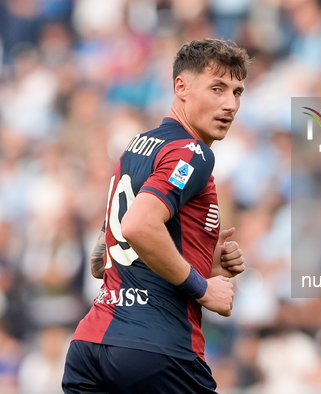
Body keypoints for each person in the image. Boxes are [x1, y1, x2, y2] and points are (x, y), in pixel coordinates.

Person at [62, 38, 251, 394]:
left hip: (90, 348)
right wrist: (203, 287)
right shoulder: (192, 152)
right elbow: (137, 225)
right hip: (156, 351)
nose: (230, 104)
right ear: (181, 87)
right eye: (217, 88)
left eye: (237, 92)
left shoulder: (138, 145)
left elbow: (102, 258)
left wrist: (202, 255)